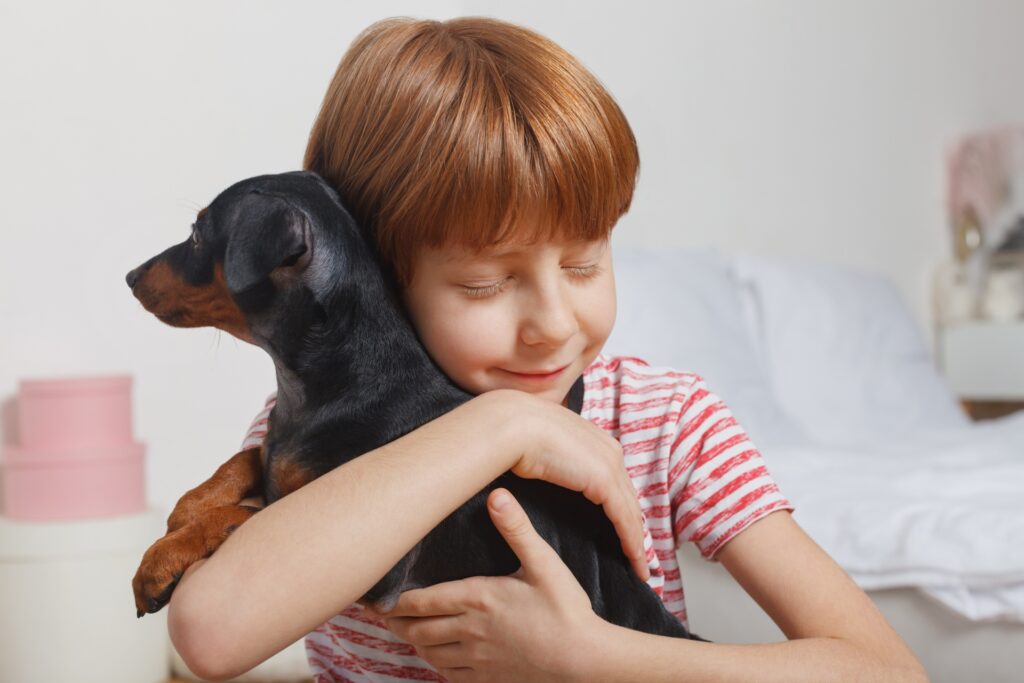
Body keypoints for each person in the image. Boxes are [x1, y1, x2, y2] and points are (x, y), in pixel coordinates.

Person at [167, 16, 928, 683]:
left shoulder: (664, 423)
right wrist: (506, 425)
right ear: (377, 274)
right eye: (484, 284)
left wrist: (596, 660)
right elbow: (211, 633)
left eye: (584, 263)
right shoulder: (313, 433)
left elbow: (886, 671)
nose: (554, 324)